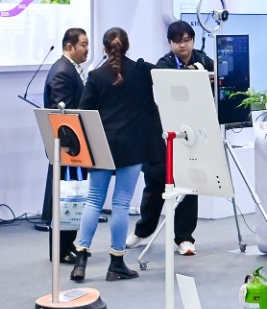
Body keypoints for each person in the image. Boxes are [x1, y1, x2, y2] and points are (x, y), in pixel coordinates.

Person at [71, 28, 154, 282]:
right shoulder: (141, 72)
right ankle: (116, 263)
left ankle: (80, 259)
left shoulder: (96, 76)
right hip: (132, 146)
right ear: (127, 46)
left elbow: (84, 113)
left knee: (93, 201)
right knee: (121, 203)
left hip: (101, 145)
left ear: (104, 48)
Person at [136, 20, 211, 256]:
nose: (183, 45)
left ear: (193, 40)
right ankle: (143, 230)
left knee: (190, 183)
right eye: (177, 41)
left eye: (187, 40)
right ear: (170, 43)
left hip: (194, 133)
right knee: (155, 181)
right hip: (166, 134)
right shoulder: (164, 64)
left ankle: (184, 237)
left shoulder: (205, 61)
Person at [37, 28, 90, 241]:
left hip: (72, 147)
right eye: (83, 45)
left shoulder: (70, 68)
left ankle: (68, 246)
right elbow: (62, 115)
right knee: (65, 198)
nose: (87, 49)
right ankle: (63, 249)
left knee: (72, 198)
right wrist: (71, 148)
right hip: (68, 147)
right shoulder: (62, 71)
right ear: (70, 46)